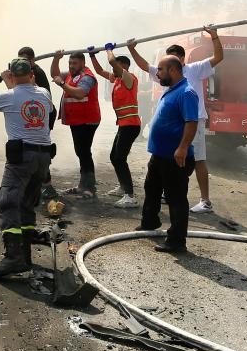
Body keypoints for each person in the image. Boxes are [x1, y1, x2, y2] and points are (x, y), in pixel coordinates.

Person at [127, 25, 223, 213]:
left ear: (181, 59)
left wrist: (214, 37)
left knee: (198, 159)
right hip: (172, 125)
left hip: (192, 121)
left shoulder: (195, 69)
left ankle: (205, 201)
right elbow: (145, 66)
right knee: (167, 159)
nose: (164, 67)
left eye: (173, 58)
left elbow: (218, 58)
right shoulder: (164, 73)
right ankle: (169, 192)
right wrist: (132, 49)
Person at [0, 57, 56, 279]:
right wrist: (11, 82)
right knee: (26, 203)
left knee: (7, 201)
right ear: (32, 75)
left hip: (22, 157)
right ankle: (26, 254)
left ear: (11, 76)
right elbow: (24, 95)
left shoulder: (8, 96)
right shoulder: (44, 94)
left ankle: (14, 258)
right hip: (43, 158)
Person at [136, 55, 198, 253]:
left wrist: (182, 147)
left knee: (176, 198)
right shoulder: (172, 89)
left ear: (173, 70)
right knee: (151, 188)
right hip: (160, 155)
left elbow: (191, 122)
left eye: (161, 70)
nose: (158, 73)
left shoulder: (187, 93)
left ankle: (177, 241)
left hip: (175, 157)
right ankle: (150, 221)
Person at [88, 43, 141, 208]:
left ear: (123, 66)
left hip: (131, 125)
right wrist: (92, 56)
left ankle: (129, 195)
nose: (114, 68)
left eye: (117, 65)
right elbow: (99, 71)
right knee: (114, 157)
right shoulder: (117, 78)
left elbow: (111, 62)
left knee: (120, 158)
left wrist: (109, 50)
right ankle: (123, 187)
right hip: (124, 124)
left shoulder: (128, 78)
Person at [51, 51, 101, 198]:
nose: (72, 66)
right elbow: (55, 74)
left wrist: (61, 83)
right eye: (70, 63)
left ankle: (89, 188)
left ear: (83, 63)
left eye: (75, 63)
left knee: (84, 152)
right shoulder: (71, 74)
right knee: (81, 151)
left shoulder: (87, 77)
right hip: (77, 120)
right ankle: (82, 185)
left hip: (87, 120)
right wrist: (56, 59)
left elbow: (79, 93)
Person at [15, 46, 59, 200]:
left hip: (43, 114)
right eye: (20, 61)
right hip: (37, 113)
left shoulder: (36, 73)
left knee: (39, 149)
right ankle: (39, 183)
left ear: (32, 60)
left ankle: (47, 186)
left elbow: (27, 93)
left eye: (25, 61)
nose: (22, 64)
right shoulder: (28, 71)